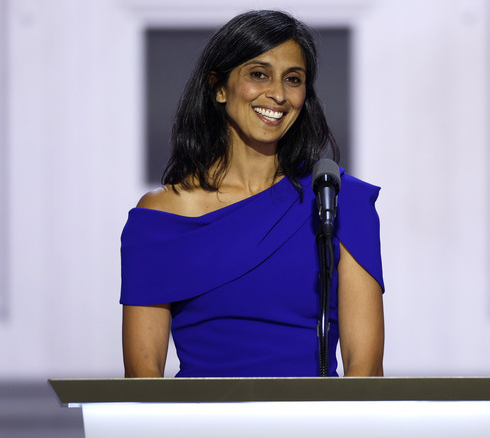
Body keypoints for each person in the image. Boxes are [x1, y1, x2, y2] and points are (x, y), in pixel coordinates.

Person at [120, 10, 384, 378]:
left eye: (293, 79)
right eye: (258, 74)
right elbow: (142, 381)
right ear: (219, 86)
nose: (277, 94)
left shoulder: (338, 200)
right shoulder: (160, 218)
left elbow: (366, 369)